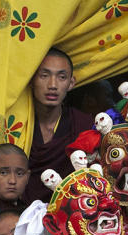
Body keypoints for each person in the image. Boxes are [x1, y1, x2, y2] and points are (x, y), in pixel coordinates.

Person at [23, 48, 95, 202]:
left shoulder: (83, 124)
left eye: (61, 77)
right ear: (31, 80)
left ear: (71, 83)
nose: (53, 85)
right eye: (44, 76)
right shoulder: (17, 126)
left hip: (71, 209)